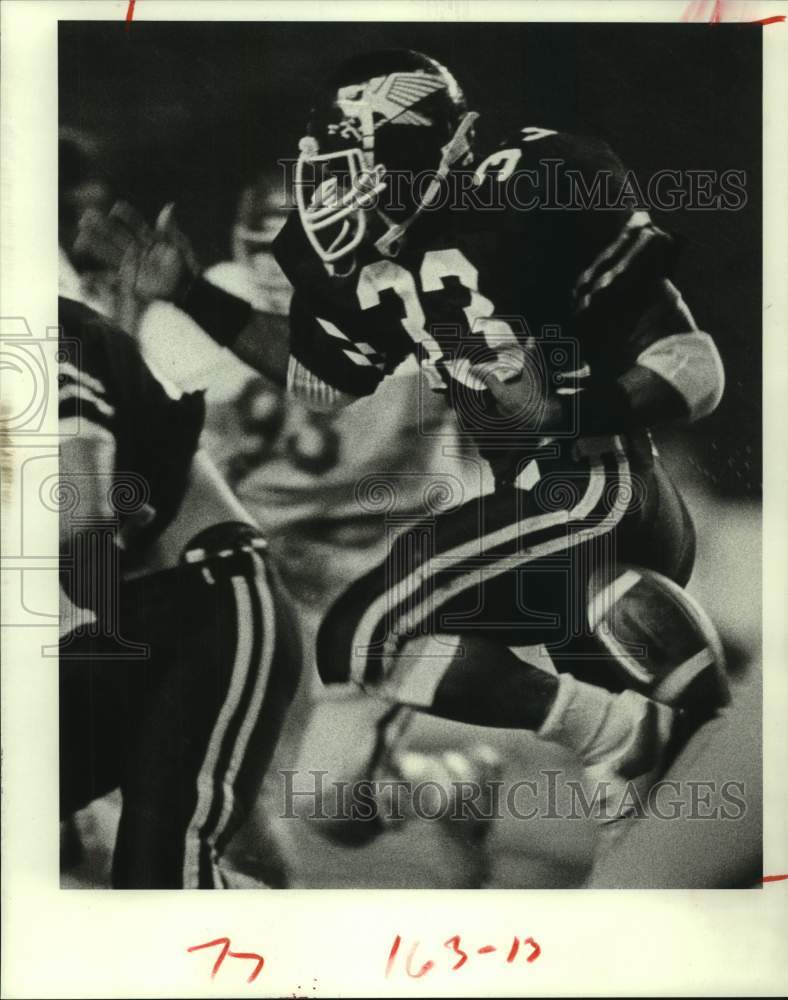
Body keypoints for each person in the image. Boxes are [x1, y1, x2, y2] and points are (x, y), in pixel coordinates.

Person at [75, 49, 731, 834]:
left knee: (369, 633)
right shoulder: (400, 259)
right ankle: (641, 738)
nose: (333, 193)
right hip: (528, 504)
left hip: (587, 483)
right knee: (341, 797)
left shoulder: (530, 181)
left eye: (349, 166)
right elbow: (324, 377)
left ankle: (639, 725)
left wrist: (577, 412)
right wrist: (190, 296)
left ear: (408, 142)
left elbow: (693, 362)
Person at [58, 294, 300, 887]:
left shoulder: (32, 330)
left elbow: (82, 513)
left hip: (201, 603)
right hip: (110, 618)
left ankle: (310, 951)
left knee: (163, 878)